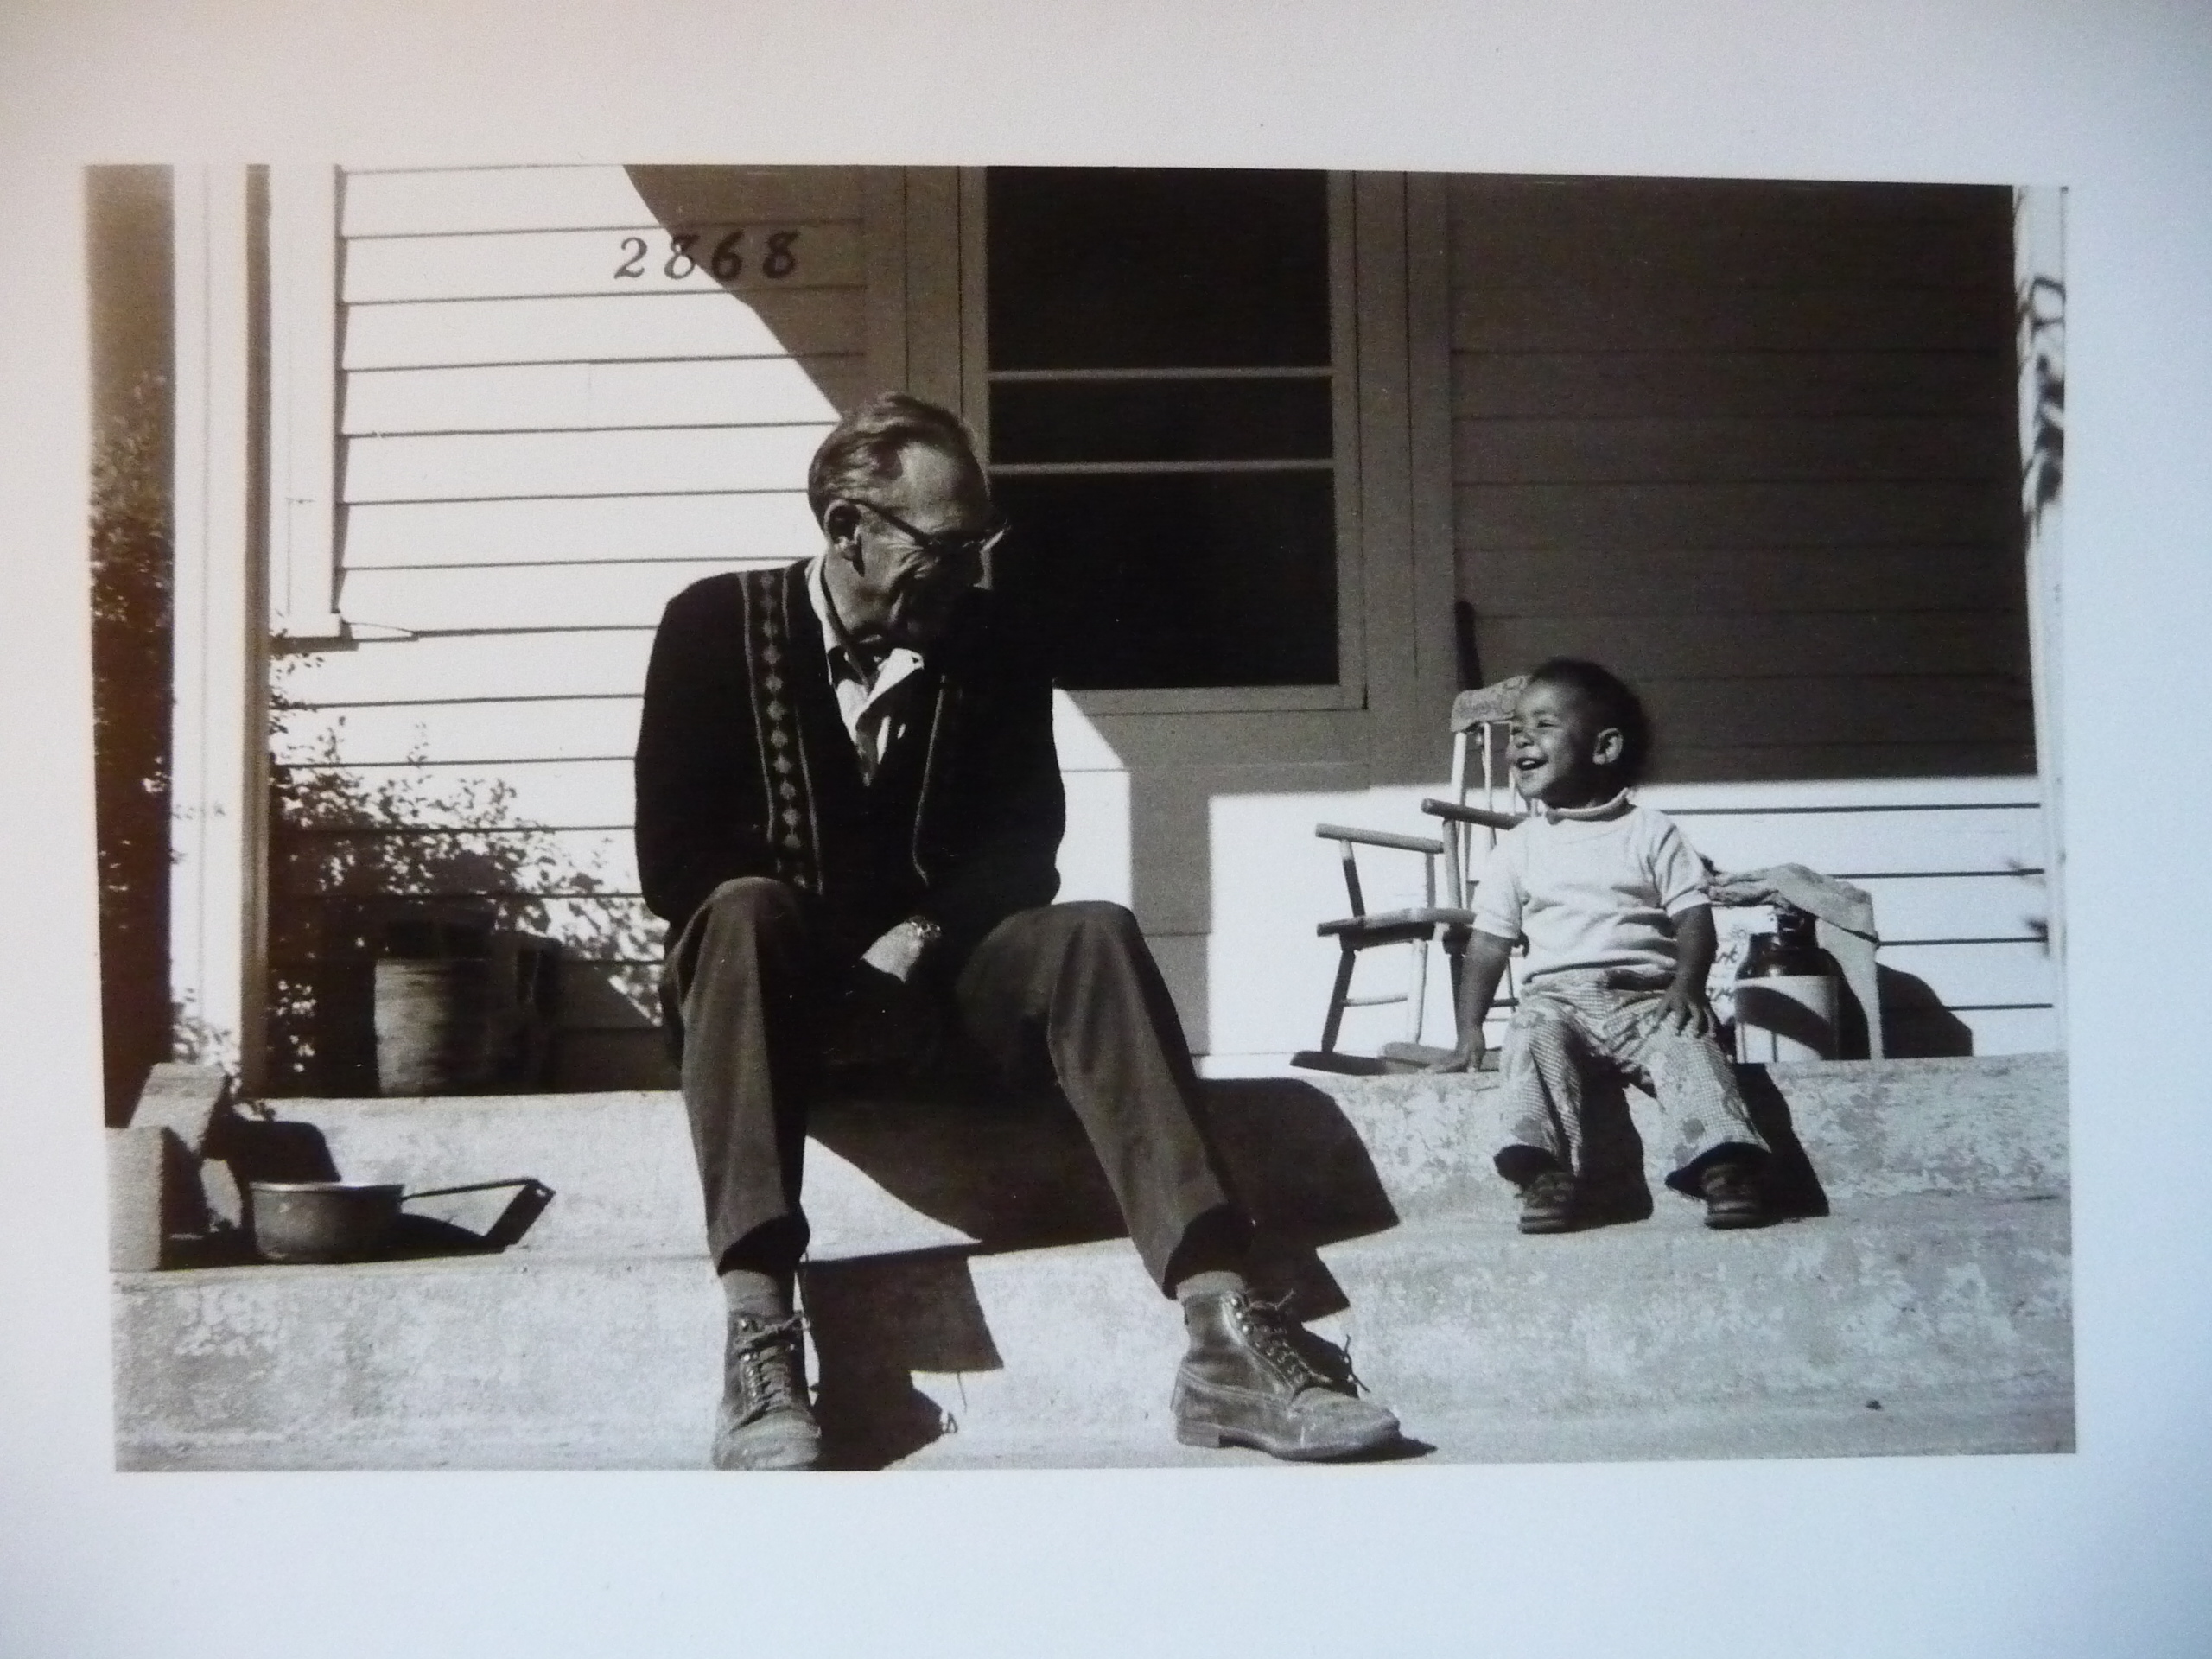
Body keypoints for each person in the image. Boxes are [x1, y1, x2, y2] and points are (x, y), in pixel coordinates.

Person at [635, 391, 1400, 1469]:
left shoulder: (988, 641)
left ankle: (1223, 1329)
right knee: (741, 905)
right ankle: (761, 1335)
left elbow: (1021, 845)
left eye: (980, 544)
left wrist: (922, 930)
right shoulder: (714, 624)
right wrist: (837, 949)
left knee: (1089, 927)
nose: (967, 572)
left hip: (940, 988)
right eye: (944, 546)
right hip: (779, 1006)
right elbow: (675, 858)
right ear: (846, 526)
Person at [1427, 658, 1772, 1234]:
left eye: (1542, 725)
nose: (1521, 742)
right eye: (1516, 731)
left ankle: (1723, 1165)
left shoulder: (1651, 831)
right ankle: (1542, 1171)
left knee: (1692, 1047)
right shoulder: (1521, 847)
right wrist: (1469, 1030)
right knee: (1531, 1038)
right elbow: (1488, 944)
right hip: (1557, 1002)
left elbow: (1692, 917)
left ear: (1604, 747)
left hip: (1646, 999)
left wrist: (1687, 986)